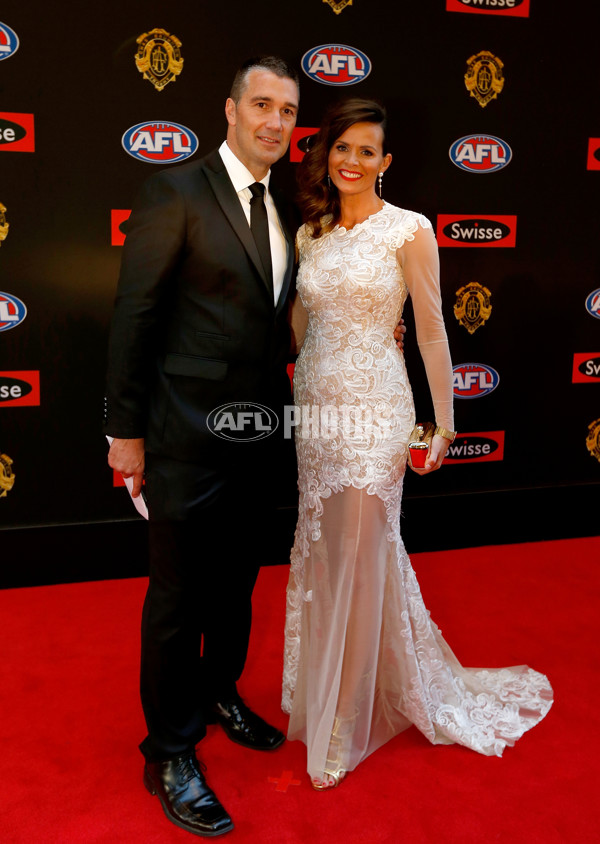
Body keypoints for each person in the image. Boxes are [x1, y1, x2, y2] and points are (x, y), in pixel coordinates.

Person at [282, 98, 553, 790]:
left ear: (386, 162)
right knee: (325, 547)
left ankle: (345, 717)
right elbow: (300, 324)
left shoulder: (410, 231)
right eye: (343, 148)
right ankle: (327, 694)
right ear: (326, 154)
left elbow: (431, 331)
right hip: (318, 411)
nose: (352, 161)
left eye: (367, 151)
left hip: (377, 408)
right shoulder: (311, 232)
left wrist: (445, 421)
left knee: (365, 551)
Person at [104, 56, 302, 837]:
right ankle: (170, 750)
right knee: (179, 598)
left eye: (287, 110)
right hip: (182, 437)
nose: (275, 122)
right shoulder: (175, 190)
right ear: (229, 110)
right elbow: (134, 315)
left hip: (259, 439)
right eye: (261, 104)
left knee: (236, 588)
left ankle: (219, 691)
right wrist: (124, 433)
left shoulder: (283, 208)